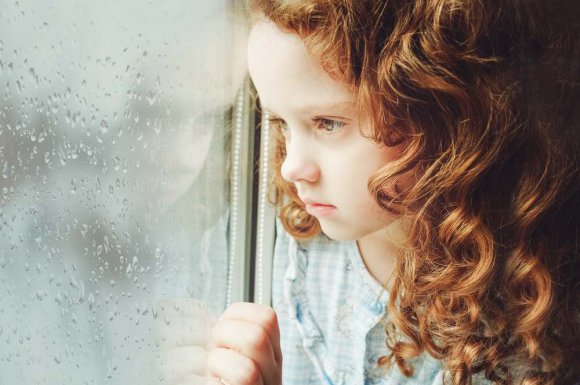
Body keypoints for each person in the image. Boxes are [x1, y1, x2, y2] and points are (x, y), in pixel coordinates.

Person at [207, 1, 580, 384]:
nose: (290, 167)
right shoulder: (286, 242)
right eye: (281, 123)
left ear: (440, 113)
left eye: (329, 123)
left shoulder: (521, 301)